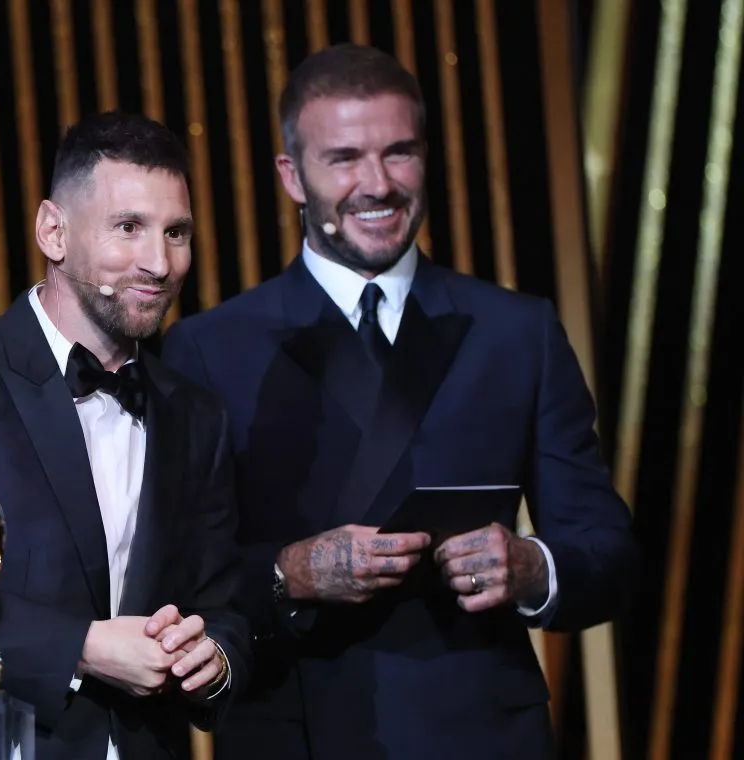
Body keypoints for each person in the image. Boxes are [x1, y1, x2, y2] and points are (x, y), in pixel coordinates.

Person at [161, 43, 637, 759]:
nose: (377, 184)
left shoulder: (516, 331)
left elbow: (608, 553)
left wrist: (532, 567)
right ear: (292, 175)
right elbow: (177, 572)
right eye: (345, 158)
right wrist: (291, 572)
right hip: (298, 732)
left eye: (400, 153)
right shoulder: (209, 348)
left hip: (480, 731)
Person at [0, 111, 250, 760]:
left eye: (176, 232)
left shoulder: (195, 413)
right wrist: (82, 648)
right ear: (54, 231)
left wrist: (215, 659)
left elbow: (225, 600)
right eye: (129, 228)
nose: (159, 262)